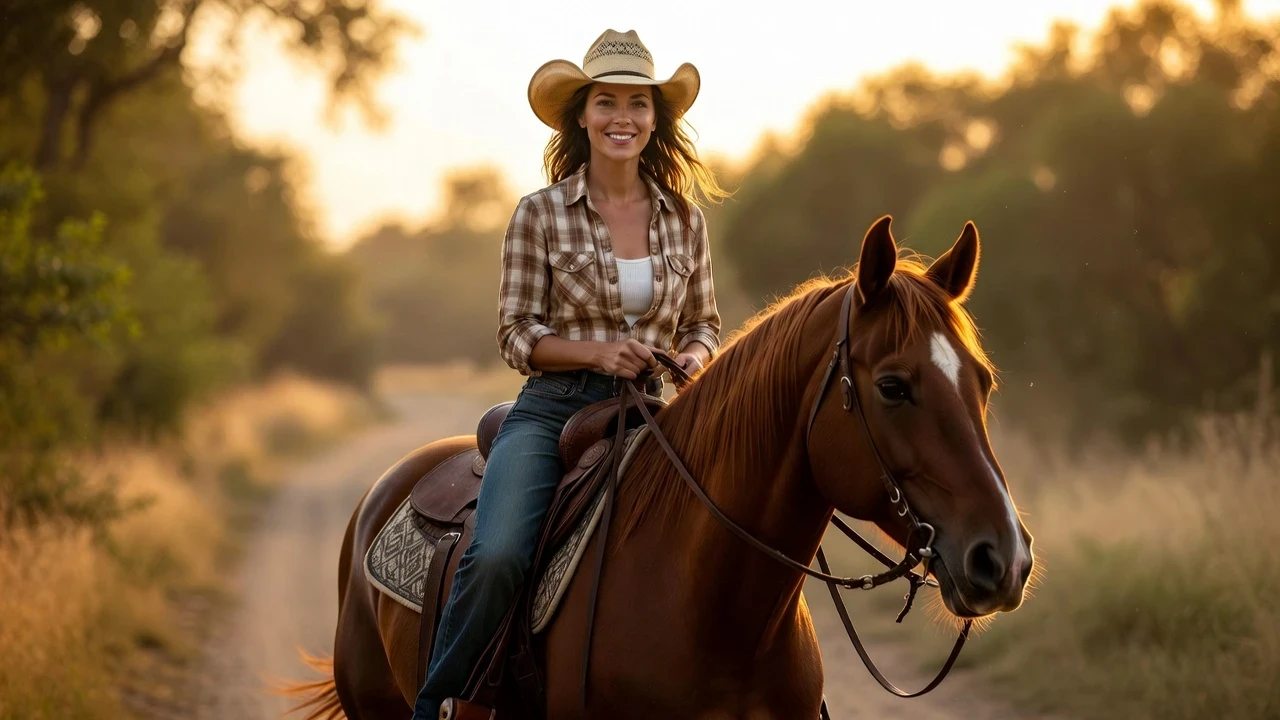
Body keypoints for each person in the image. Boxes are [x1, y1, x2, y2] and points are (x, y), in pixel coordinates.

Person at [411, 28, 727, 718]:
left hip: (654, 412)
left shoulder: (684, 220)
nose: (623, 117)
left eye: (638, 104)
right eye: (606, 102)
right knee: (495, 557)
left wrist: (695, 359)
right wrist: (595, 354)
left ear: (656, 118)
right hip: (555, 410)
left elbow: (703, 322)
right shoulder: (540, 214)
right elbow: (516, 332)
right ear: (581, 116)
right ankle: (439, 703)